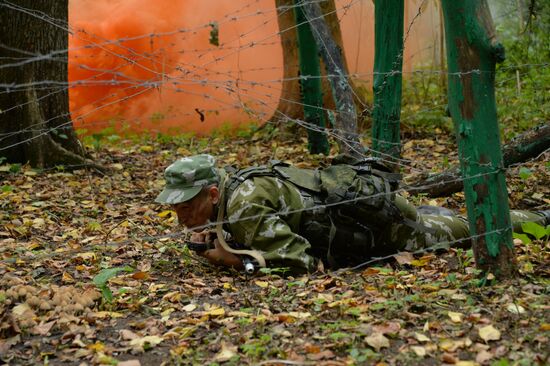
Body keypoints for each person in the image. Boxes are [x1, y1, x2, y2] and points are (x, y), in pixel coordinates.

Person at [155, 154, 549, 274]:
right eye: (175, 207)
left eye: (188, 206)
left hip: (385, 230)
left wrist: (236, 261)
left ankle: (542, 218)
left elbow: (303, 264)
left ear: (211, 191)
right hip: (361, 215)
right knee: (443, 218)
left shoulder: (242, 206)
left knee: (468, 229)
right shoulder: (231, 190)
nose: (181, 216)